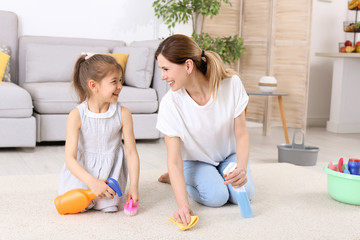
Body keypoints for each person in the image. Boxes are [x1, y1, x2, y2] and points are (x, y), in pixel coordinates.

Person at [155, 34, 255, 225]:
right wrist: (183, 205)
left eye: (166, 69)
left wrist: (241, 168)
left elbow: (241, 133)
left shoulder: (231, 85)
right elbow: (174, 160)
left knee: (244, 193)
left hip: (228, 156)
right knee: (216, 197)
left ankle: (214, 174)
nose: (163, 76)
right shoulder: (170, 103)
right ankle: (180, 179)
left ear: (188, 66)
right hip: (195, 161)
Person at [58, 54, 140, 213]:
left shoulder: (123, 114)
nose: (120, 86)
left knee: (110, 206)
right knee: (75, 205)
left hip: (110, 175)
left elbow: (131, 153)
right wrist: (92, 183)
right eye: (114, 81)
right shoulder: (76, 115)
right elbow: (70, 159)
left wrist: (134, 187)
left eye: (121, 80)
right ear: (93, 85)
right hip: (82, 175)